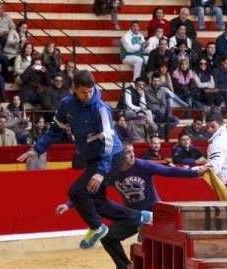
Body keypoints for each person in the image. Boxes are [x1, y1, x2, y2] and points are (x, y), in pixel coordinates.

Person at [17, 70, 151, 249]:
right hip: (93, 159)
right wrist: (38, 149)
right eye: (83, 92)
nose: (88, 95)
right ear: (74, 89)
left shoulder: (101, 109)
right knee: (99, 204)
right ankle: (142, 217)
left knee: (77, 192)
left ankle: (97, 228)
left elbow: (109, 143)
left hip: (111, 157)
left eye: (90, 91)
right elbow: (55, 130)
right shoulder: (67, 104)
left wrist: (101, 172)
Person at [56, 142, 209, 269]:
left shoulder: (142, 165)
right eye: (127, 153)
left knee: (145, 243)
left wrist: (194, 173)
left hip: (152, 213)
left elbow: (168, 171)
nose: (132, 155)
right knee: (108, 238)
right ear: (119, 156)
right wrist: (68, 205)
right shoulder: (110, 172)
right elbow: (89, 191)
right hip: (132, 215)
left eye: (132, 152)